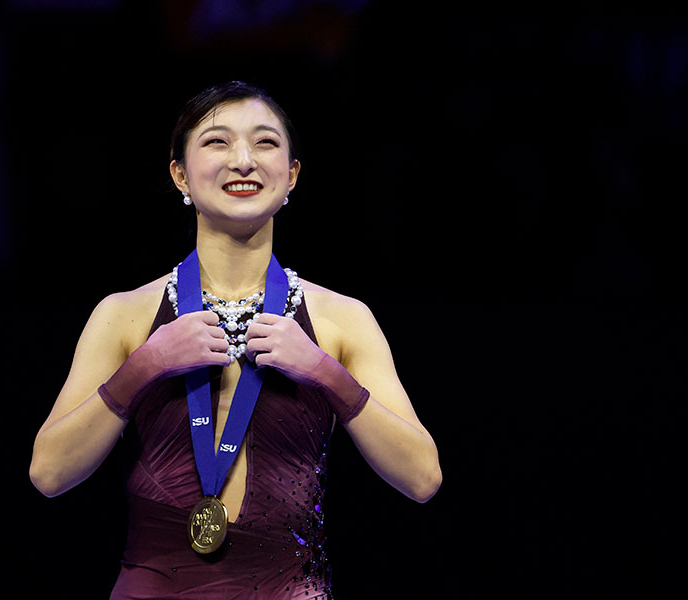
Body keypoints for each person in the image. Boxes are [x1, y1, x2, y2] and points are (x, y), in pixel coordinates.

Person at [29, 81, 442, 599]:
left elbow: (423, 478)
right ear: (179, 173)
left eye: (265, 143)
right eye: (217, 142)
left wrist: (325, 373)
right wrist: (144, 365)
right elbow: (48, 473)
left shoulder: (343, 320)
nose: (243, 160)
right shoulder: (124, 316)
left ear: (291, 176)